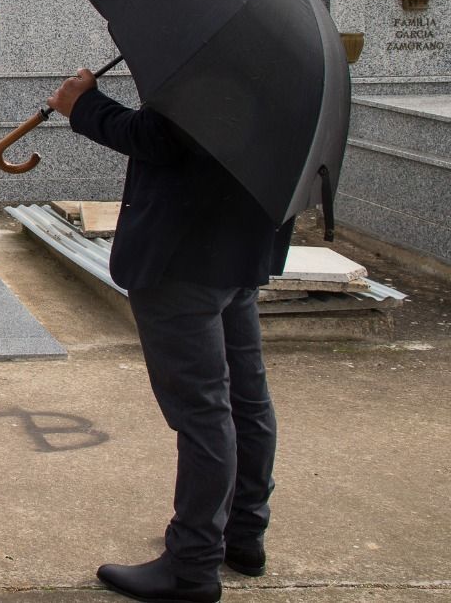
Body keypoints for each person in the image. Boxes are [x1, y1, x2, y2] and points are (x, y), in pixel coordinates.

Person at [49, 67, 292, 603]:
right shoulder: (273, 51)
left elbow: (164, 139)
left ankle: (192, 563)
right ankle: (243, 532)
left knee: (204, 412)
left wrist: (86, 106)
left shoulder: (206, 46)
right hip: (240, 243)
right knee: (246, 399)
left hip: (183, 254)